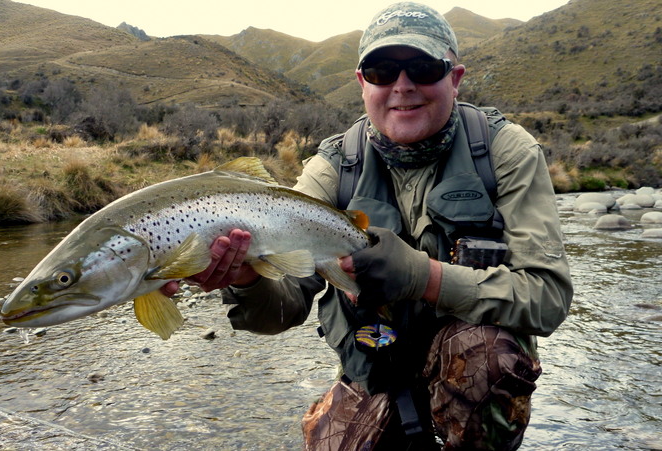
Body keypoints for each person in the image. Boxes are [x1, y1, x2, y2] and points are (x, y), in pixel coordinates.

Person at [162, 2, 572, 449]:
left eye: (423, 67)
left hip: (470, 370)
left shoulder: (505, 152)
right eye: (381, 71)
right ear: (362, 84)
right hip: (375, 364)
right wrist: (246, 280)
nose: (403, 86)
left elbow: (547, 297)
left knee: (484, 358)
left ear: (454, 78)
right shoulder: (333, 168)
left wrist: (424, 277)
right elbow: (283, 310)